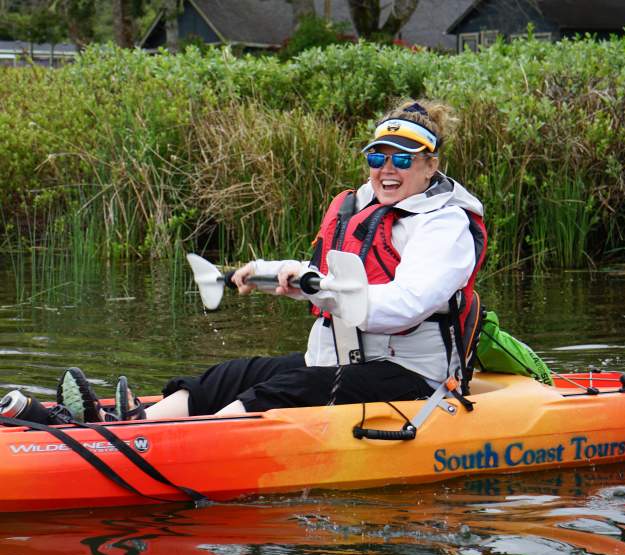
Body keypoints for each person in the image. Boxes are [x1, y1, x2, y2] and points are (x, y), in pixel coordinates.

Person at [4, 99, 486, 425]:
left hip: (411, 378)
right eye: (377, 156)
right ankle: (118, 427)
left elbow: (406, 304)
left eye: (403, 160)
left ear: (430, 164)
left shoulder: (445, 226)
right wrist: (275, 274)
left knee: (279, 390)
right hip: (339, 360)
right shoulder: (358, 207)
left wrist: (316, 287)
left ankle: (186, 444)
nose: (387, 169)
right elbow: (328, 280)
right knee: (227, 375)